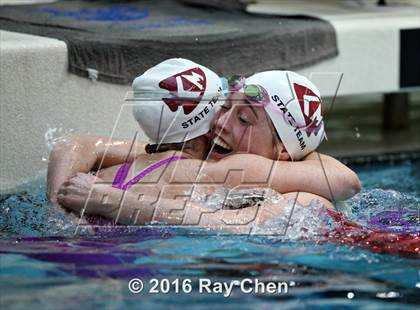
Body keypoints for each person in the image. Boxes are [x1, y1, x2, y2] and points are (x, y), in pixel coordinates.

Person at [51, 59, 360, 230]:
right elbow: (76, 145)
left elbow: (345, 181)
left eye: (244, 120)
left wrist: (106, 201)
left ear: (281, 151)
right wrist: (61, 213)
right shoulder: (200, 161)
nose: (221, 124)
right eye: (224, 108)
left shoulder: (303, 199)